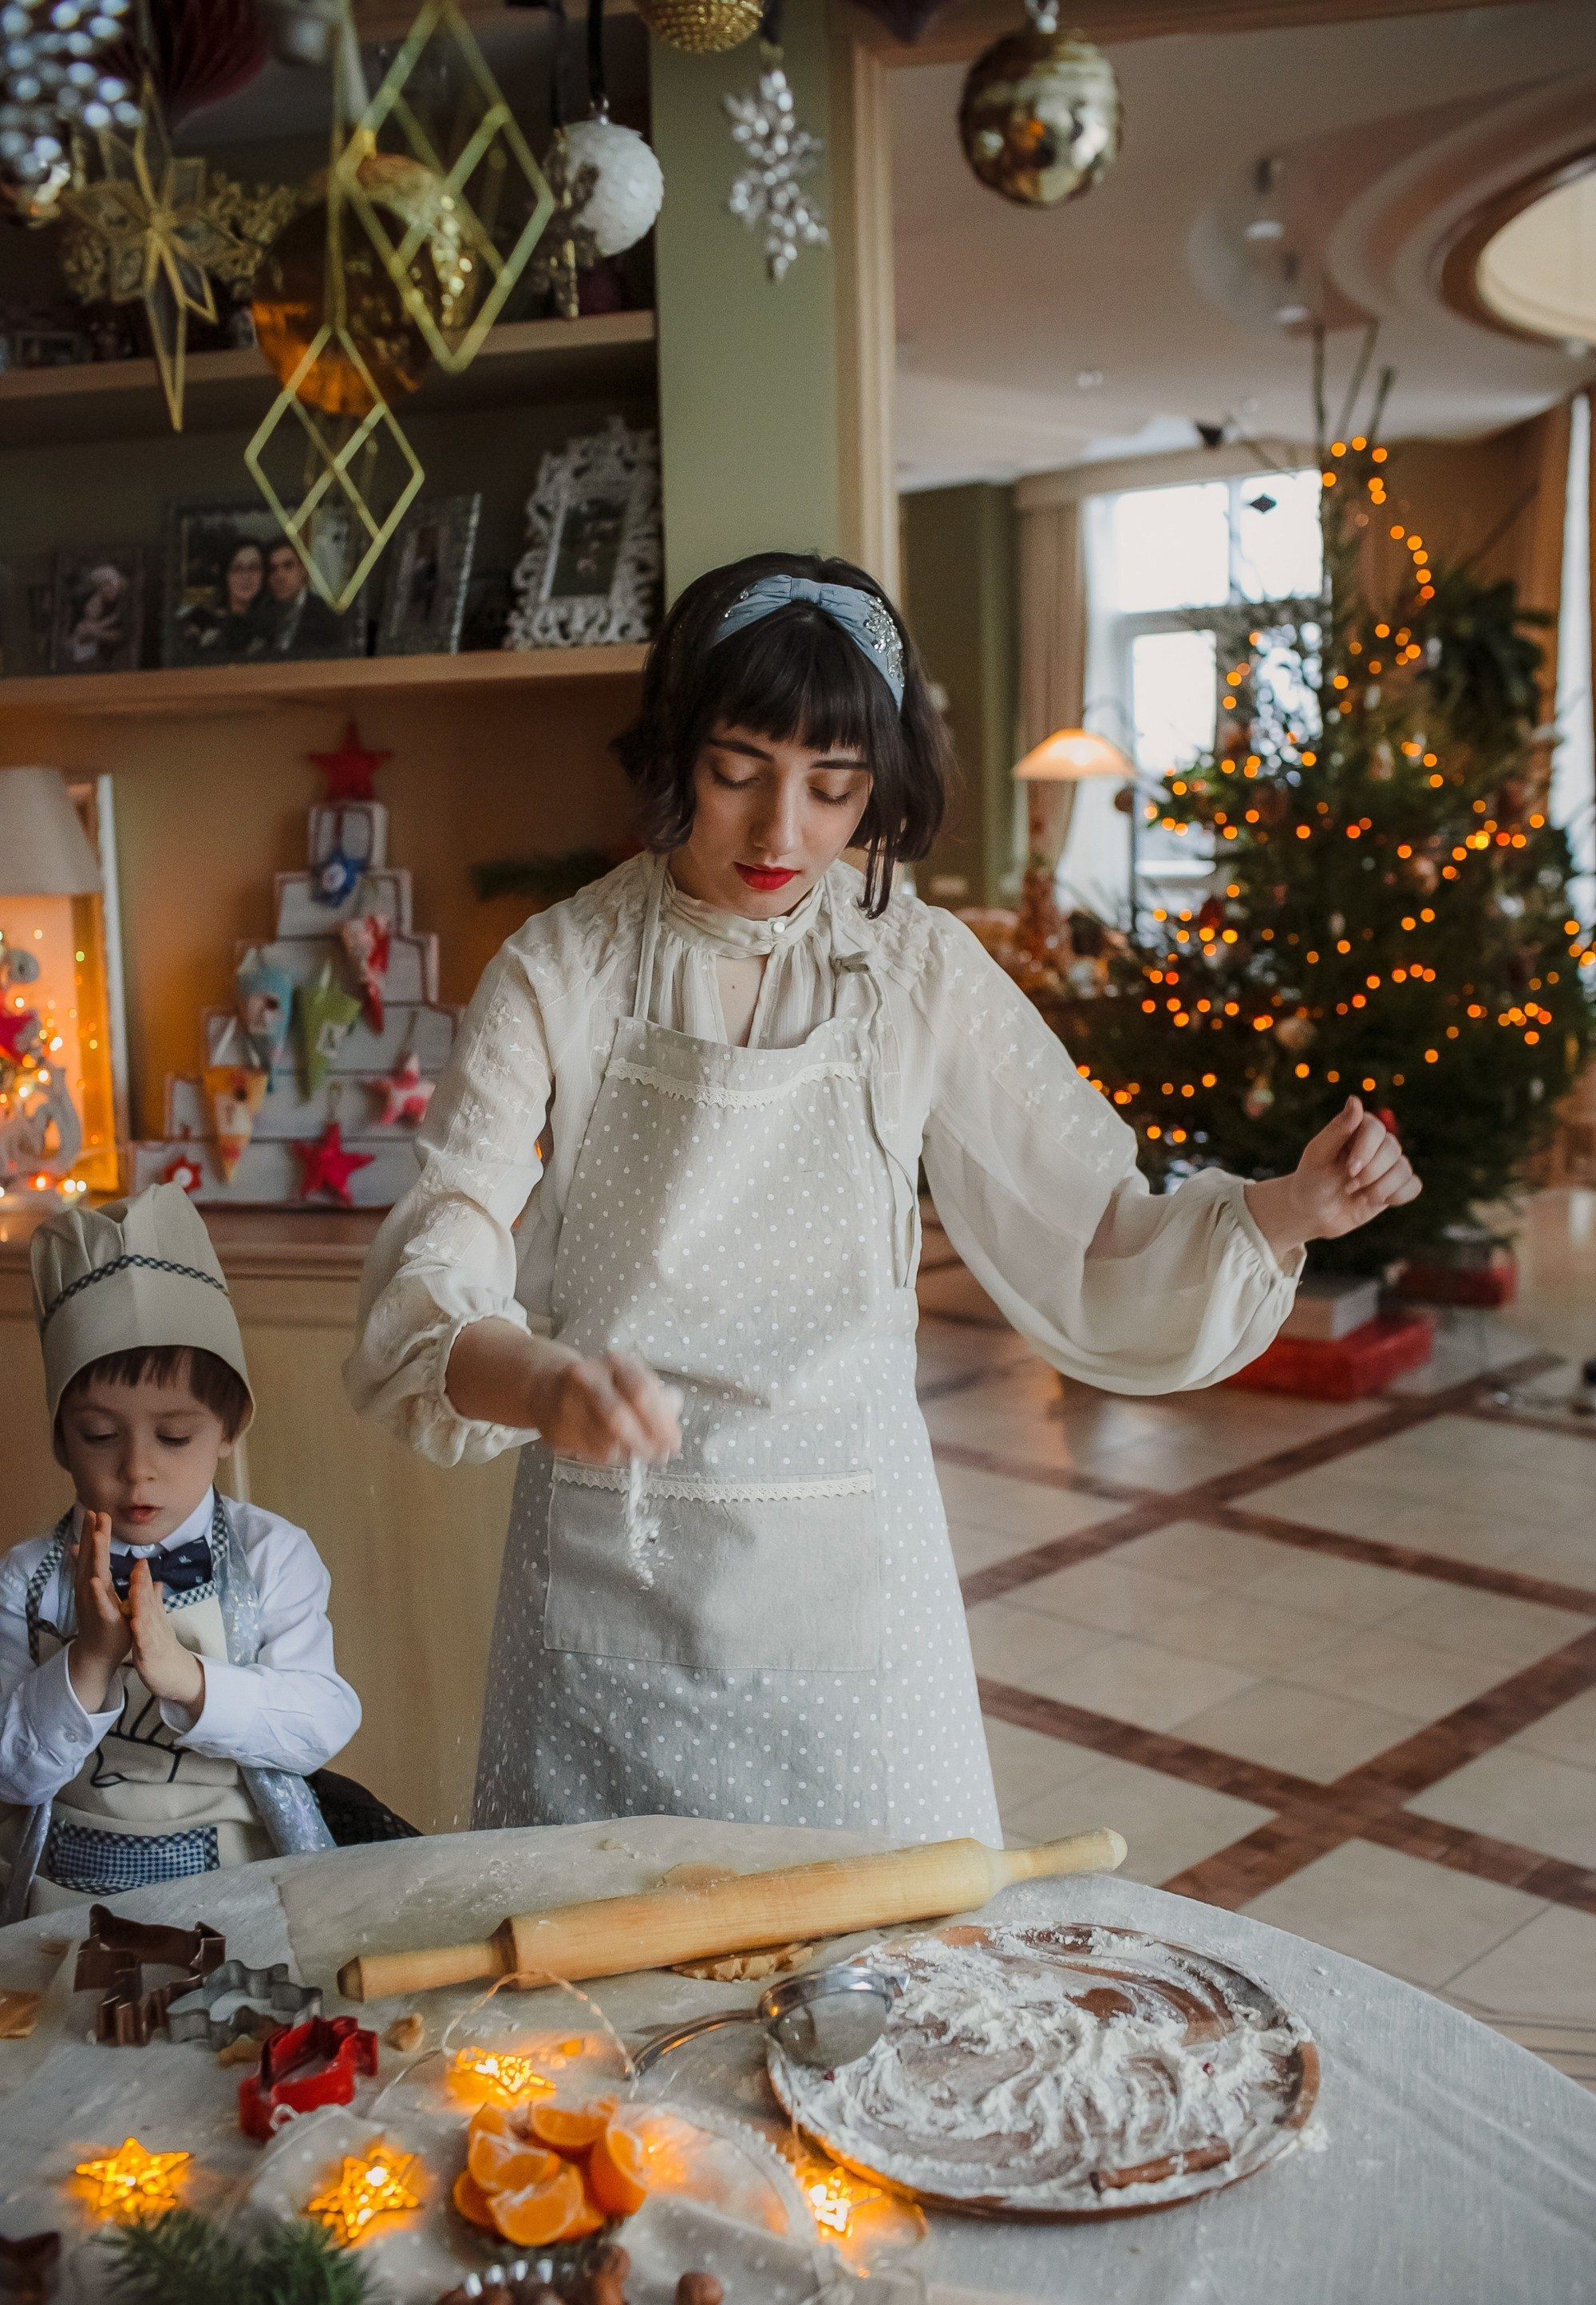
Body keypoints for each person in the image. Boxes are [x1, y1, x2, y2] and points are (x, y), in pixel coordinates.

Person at [347, 552, 1420, 1846]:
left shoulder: (916, 964)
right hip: (609, 1578)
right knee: (596, 2022)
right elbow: (436, 1277)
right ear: (676, 745)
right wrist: (541, 1385)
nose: (780, 830)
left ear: (883, 785)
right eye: (739, 770)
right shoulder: (560, 971)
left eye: (834, 787)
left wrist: (1287, 1212)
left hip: (853, 1588)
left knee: (890, 1993)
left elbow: (1088, 1223)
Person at [0, 1186, 359, 1917]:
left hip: (241, 1884)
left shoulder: (272, 1557)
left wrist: (193, 1681)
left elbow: (321, 1723)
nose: (138, 1470)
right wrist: (87, 1662)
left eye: (174, 1437)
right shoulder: (25, 1580)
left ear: (229, 1430)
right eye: (101, 1435)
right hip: (62, 1894)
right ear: (62, 1438)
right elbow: (11, 1771)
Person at [176, 537, 270, 662]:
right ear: (226, 575)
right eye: (238, 569)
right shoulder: (199, 620)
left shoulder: (272, 624)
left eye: (254, 568)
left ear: (264, 574)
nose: (246, 576)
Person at [263, 540, 345, 659]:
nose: (280, 576)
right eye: (273, 569)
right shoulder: (264, 613)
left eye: (288, 566)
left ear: (302, 570)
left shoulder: (326, 614)